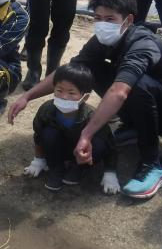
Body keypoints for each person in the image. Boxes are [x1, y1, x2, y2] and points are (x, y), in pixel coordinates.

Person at [9, 0, 162, 199]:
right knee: (87, 69)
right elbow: (67, 74)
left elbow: (120, 92)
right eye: (97, 18)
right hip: (148, 106)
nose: (102, 25)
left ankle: (154, 163)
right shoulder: (102, 41)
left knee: (136, 84)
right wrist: (27, 96)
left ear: (128, 21)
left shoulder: (142, 44)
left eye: (110, 19)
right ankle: (134, 127)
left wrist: (86, 133)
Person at [29, 63, 118, 193]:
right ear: (53, 89)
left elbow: (110, 144)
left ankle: (78, 168)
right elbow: (38, 137)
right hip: (58, 148)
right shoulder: (46, 111)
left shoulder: (91, 117)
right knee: (48, 133)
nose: (64, 96)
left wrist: (110, 173)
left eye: (71, 92)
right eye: (59, 90)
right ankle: (55, 168)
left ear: (85, 96)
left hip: (83, 153)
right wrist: (38, 160)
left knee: (99, 143)